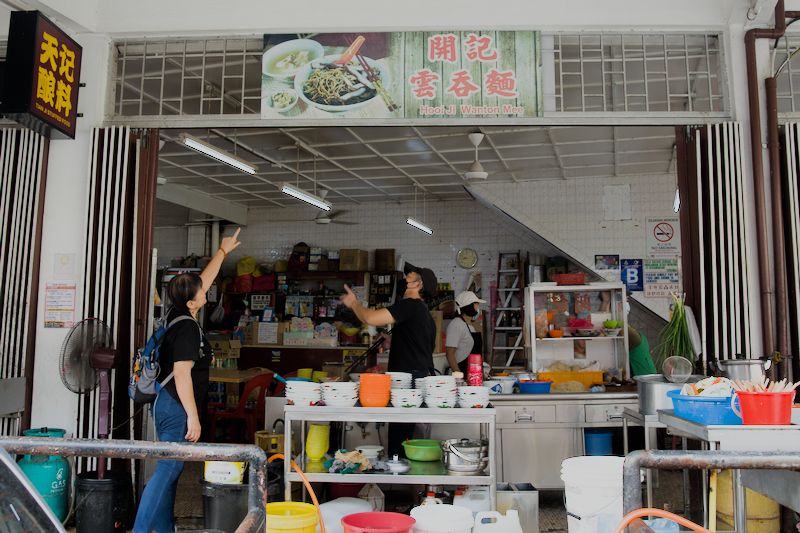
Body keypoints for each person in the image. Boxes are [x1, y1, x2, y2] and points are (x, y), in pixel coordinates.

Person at [133, 228, 241, 533]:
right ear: (192, 302)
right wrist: (193, 417)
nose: (205, 292)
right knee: (168, 467)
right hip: (175, 406)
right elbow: (182, 376)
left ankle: (165, 530)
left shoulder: (176, 313)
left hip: (167, 404)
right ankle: (140, 529)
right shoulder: (187, 329)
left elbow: (202, 281)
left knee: (171, 470)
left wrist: (223, 252)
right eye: (201, 292)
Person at [340, 262, 437, 454]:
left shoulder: (410, 305)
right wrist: (395, 341)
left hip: (408, 385)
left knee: (400, 443)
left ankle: (400, 480)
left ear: (418, 284)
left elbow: (370, 318)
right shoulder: (423, 312)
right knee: (409, 442)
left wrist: (354, 303)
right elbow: (421, 347)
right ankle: (407, 480)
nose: (407, 276)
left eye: (412, 275)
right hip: (418, 381)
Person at [445, 291, 486, 374]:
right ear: (469, 306)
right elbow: (450, 353)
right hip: (462, 374)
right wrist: (459, 377)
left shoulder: (470, 326)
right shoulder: (456, 324)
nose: (478, 307)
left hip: (473, 375)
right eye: (476, 304)